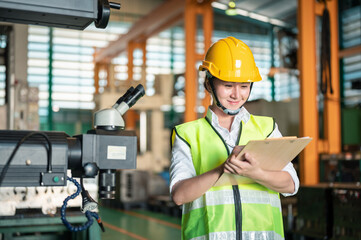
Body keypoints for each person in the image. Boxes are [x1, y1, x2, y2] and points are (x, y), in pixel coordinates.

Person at [169, 36, 299, 240]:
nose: (236, 95)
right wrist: (222, 169)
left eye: (244, 86)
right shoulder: (187, 135)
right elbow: (179, 195)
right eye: (228, 85)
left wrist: (256, 173)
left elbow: (291, 185)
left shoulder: (266, 128)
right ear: (209, 84)